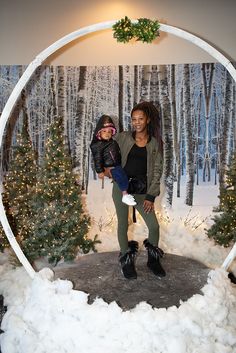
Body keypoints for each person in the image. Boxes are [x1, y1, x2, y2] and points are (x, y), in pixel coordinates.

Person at [111, 101, 166, 280]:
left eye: (140, 118)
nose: (137, 122)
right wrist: (103, 169)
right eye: (134, 119)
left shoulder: (154, 144)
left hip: (142, 192)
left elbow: (157, 171)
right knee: (122, 224)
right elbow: (106, 151)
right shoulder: (123, 137)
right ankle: (126, 260)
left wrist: (151, 196)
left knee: (154, 226)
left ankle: (153, 260)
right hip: (122, 189)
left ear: (147, 120)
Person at [90, 114, 136, 206]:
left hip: (116, 165)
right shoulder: (98, 145)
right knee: (121, 176)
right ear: (99, 132)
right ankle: (125, 195)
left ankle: (126, 192)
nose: (107, 134)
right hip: (110, 167)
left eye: (109, 131)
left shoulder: (112, 142)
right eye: (104, 131)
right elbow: (97, 159)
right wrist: (100, 171)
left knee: (123, 176)